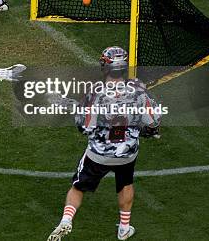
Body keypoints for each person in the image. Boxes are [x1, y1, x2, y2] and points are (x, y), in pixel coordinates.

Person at [47, 46, 161, 241]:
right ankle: (124, 228)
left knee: (78, 186)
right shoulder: (138, 89)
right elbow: (153, 121)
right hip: (127, 153)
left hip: (98, 154)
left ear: (104, 67)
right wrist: (146, 132)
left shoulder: (95, 93)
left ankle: (66, 220)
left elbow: (85, 127)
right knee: (125, 183)